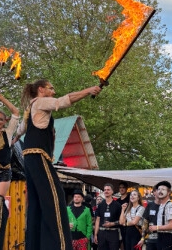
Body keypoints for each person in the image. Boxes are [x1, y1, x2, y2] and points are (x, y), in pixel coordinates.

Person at [16, 79, 101, 250]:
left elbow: (19, 130)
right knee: (55, 198)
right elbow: (64, 100)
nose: (53, 91)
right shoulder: (41, 102)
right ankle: (60, 245)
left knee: (37, 203)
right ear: (41, 89)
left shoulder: (30, 108)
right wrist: (88, 90)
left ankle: (35, 245)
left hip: (29, 159)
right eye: (51, 88)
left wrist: (13, 140)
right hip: (39, 156)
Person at [0, 89, 19, 250]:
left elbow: (16, 112)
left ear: (5, 121)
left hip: (3, 172)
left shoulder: (8, 132)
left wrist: (1, 97)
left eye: (0, 119)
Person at [150, 181, 172, 250]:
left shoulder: (169, 206)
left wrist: (156, 227)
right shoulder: (161, 205)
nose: (160, 191)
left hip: (169, 238)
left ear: (169, 192)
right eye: (159, 189)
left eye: (163, 189)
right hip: (161, 237)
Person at [94, 183, 121, 250]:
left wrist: (112, 223)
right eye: (105, 190)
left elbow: (122, 221)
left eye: (108, 190)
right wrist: (95, 234)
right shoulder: (100, 205)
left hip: (113, 233)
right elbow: (97, 220)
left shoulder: (117, 205)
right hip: (102, 233)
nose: (106, 191)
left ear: (112, 191)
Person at [137, 185, 160, 250]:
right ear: (154, 192)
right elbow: (145, 223)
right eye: (158, 190)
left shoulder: (166, 205)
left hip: (163, 239)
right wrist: (142, 238)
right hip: (151, 239)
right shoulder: (150, 205)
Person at [116, 181, 130, 250]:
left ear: (126, 188)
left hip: (128, 225)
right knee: (121, 244)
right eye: (120, 187)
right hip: (119, 225)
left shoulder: (130, 199)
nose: (121, 189)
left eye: (123, 187)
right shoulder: (117, 201)